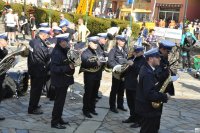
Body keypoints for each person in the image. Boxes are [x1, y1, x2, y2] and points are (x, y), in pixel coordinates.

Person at [135, 48, 170, 133]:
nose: (160, 59)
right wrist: (165, 96)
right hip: (148, 110)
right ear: (150, 59)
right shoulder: (148, 73)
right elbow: (149, 94)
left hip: (146, 108)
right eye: (157, 57)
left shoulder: (146, 68)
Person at [51, 33, 75, 129]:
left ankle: (59, 118)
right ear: (61, 42)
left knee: (61, 102)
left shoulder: (63, 50)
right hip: (59, 81)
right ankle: (55, 122)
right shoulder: (57, 52)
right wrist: (67, 67)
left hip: (64, 80)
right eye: (66, 42)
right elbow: (54, 68)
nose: (68, 43)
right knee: (58, 102)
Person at [28, 27, 51, 115]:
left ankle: (34, 105)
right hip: (38, 70)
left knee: (35, 90)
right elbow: (43, 56)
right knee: (36, 90)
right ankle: (32, 108)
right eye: (47, 35)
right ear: (43, 34)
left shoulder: (34, 41)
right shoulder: (39, 44)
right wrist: (49, 51)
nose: (48, 36)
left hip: (35, 69)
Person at [123, 46, 145, 128]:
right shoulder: (131, 58)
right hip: (128, 84)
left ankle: (139, 121)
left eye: (137, 52)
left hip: (136, 86)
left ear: (142, 52)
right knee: (130, 102)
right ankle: (132, 117)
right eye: (135, 51)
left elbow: (141, 71)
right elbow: (126, 69)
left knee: (137, 104)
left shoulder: (144, 60)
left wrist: (133, 65)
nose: (135, 53)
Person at [80, 36, 103, 118]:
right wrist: (96, 63)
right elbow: (85, 62)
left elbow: (101, 58)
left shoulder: (96, 51)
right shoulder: (85, 52)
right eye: (94, 43)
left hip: (97, 75)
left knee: (94, 94)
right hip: (89, 76)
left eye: (97, 43)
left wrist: (103, 61)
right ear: (89, 43)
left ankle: (92, 108)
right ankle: (85, 110)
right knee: (88, 94)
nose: (96, 45)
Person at [108, 35, 130, 113]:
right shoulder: (113, 50)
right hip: (117, 73)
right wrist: (117, 67)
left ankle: (120, 105)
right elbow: (110, 61)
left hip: (124, 73)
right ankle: (112, 106)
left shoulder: (125, 50)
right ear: (118, 41)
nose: (123, 42)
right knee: (114, 90)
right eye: (122, 41)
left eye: (124, 41)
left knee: (121, 90)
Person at [95, 33, 109, 100]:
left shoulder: (101, 45)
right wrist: (106, 59)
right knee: (95, 82)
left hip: (100, 68)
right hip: (95, 68)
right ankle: (93, 96)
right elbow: (97, 57)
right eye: (105, 39)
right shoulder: (96, 46)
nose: (106, 41)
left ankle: (95, 94)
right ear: (101, 39)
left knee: (97, 82)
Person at [0, 33, 8, 121]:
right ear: (1, 41)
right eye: (6, 40)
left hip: (2, 75)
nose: (7, 42)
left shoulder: (5, 50)